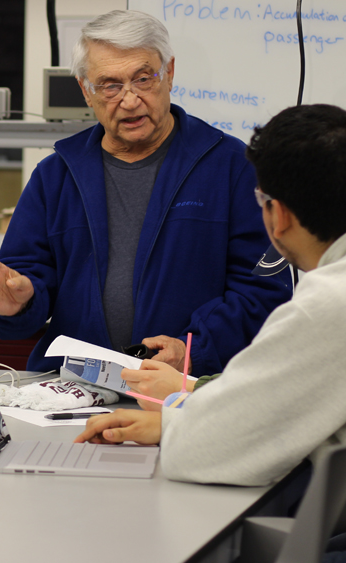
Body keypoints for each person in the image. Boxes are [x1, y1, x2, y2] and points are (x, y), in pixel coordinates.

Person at [0, 10, 291, 376]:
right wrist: (18, 305)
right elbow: (25, 285)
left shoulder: (232, 166)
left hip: (188, 391)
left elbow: (263, 293)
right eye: (110, 85)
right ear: (86, 91)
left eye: (143, 78)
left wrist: (192, 351)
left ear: (169, 73)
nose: (131, 99)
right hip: (74, 393)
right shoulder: (55, 176)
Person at [75, 104, 346, 487]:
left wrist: (174, 421)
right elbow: (275, 401)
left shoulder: (327, 305)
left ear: (277, 215)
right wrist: (180, 405)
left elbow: (195, 454)